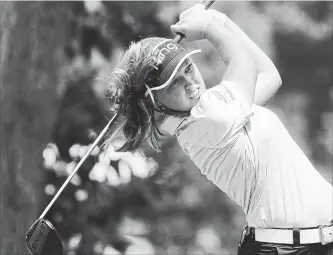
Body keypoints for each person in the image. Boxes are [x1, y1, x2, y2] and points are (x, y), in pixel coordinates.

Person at [105, 4, 333, 255]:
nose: (190, 84)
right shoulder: (205, 120)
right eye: (174, 84)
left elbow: (269, 76)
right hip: (288, 249)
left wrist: (219, 18)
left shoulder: (223, 107)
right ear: (156, 102)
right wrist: (208, 27)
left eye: (188, 69)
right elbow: (243, 61)